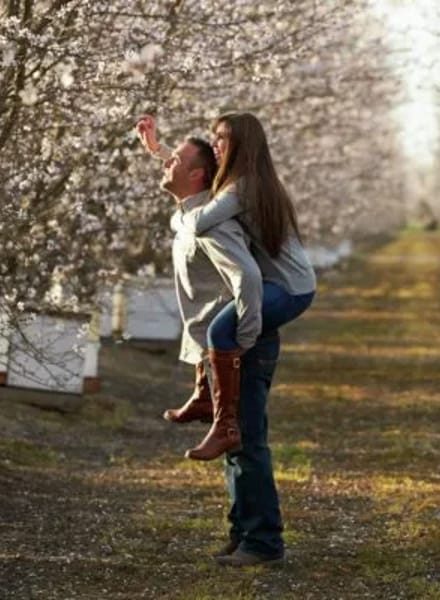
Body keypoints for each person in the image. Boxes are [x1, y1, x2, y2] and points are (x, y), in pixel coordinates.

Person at [135, 129, 286, 565]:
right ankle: (244, 533)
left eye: (175, 161)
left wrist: (244, 338)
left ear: (198, 175)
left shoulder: (212, 225)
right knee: (231, 441)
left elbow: (247, 278)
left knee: (246, 441)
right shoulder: (191, 214)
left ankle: (263, 542)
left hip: (239, 345)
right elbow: (184, 181)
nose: (168, 164)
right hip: (220, 349)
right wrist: (159, 150)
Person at [138, 113, 316, 462]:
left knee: (221, 330)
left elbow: (199, 219)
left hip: (290, 287)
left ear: (241, 147)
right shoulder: (240, 180)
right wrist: (159, 151)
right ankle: (206, 398)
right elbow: (192, 172)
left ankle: (224, 426)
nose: (215, 144)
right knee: (215, 322)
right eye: (215, 137)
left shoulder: (242, 188)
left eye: (222, 139)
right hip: (281, 282)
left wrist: (246, 335)